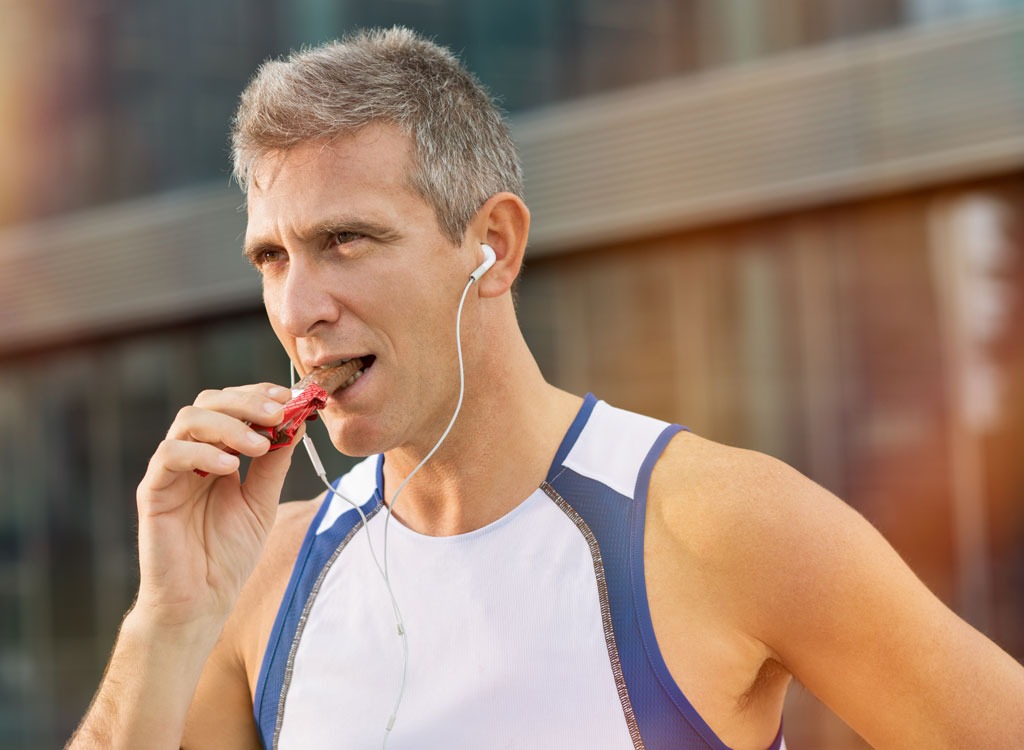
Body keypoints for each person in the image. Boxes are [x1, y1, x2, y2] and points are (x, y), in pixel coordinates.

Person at [68, 27, 1024, 750]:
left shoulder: (720, 524)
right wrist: (169, 619)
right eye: (271, 256)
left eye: (344, 241)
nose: (298, 305)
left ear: (495, 246)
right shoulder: (265, 576)